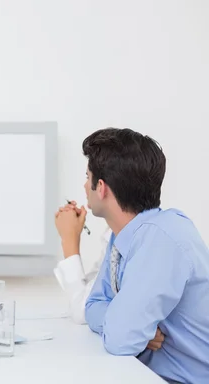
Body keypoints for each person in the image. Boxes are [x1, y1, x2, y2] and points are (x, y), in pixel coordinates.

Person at [82, 128, 209, 383]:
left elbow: (121, 339)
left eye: (87, 178)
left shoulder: (161, 238)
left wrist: (128, 326)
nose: (85, 186)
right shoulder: (124, 236)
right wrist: (130, 324)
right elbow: (93, 306)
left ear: (102, 188)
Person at [53, 209, 110, 324]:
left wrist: (69, 239)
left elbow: (83, 310)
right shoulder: (113, 233)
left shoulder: (122, 237)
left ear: (101, 190)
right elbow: (90, 290)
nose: (85, 189)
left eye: (86, 188)